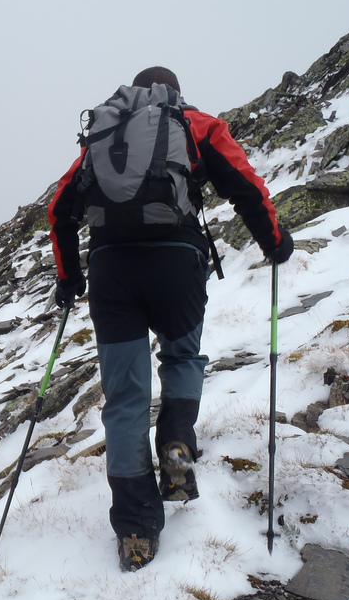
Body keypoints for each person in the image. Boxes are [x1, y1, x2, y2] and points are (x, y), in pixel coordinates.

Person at [47, 66, 293, 572]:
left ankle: (135, 530)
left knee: (125, 398)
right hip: (176, 264)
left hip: (112, 272)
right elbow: (245, 184)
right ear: (174, 92)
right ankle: (177, 441)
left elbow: (60, 211)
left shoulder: (104, 134)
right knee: (182, 356)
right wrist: (273, 241)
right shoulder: (193, 123)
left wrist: (70, 280)